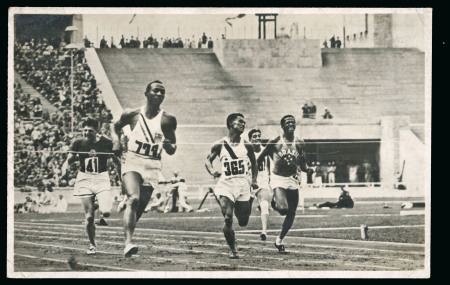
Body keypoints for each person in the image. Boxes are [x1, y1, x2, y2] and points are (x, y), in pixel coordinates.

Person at [111, 80, 177, 258]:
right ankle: (128, 243)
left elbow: (172, 149)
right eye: (155, 91)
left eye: (162, 92)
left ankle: (128, 229)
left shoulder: (168, 120)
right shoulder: (132, 114)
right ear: (146, 93)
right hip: (133, 160)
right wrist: (117, 140)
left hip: (152, 165)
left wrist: (169, 145)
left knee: (138, 208)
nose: (159, 94)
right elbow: (114, 126)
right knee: (133, 198)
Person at [61, 117, 120, 255]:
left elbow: (116, 162)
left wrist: (121, 177)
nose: (87, 133)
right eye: (85, 130)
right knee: (89, 217)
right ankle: (92, 244)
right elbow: (68, 161)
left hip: (102, 177)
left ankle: (96, 205)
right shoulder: (78, 143)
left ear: (97, 131)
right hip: (84, 178)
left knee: (106, 212)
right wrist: (65, 170)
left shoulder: (106, 142)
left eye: (90, 131)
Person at [256, 115, 314, 253]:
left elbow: (303, 163)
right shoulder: (275, 141)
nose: (290, 124)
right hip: (278, 178)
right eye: (287, 122)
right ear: (282, 126)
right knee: (283, 209)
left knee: (292, 213)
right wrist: (257, 175)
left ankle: (279, 240)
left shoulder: (300, 143)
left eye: (293, 122)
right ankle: (275, 204)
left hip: (293, 179)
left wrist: (308, 169)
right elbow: (259, 159)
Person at [205, 113, 258, 259]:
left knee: (243, 221)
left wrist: (253, 180)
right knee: (228, 218)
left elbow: (254, 163)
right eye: (240, 122)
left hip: (242, 185)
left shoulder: (247, 144)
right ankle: (233, 249)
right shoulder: (219, 144)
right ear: (230, 124)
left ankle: (250, 199)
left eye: (244, 122)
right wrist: (212, 171)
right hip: (226, 184)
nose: (243, 124)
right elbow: (208, 161)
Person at [248, 129, 272, 241]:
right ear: (250, 139)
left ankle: (264, 231)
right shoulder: (246, 151)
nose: (257, 137)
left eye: (259, 135)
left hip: (262, 182)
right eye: (254, 136)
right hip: (249, 183)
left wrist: (270, 178)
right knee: (244, 214)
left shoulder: (265, 150)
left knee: (264, 206)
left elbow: (269, 165)